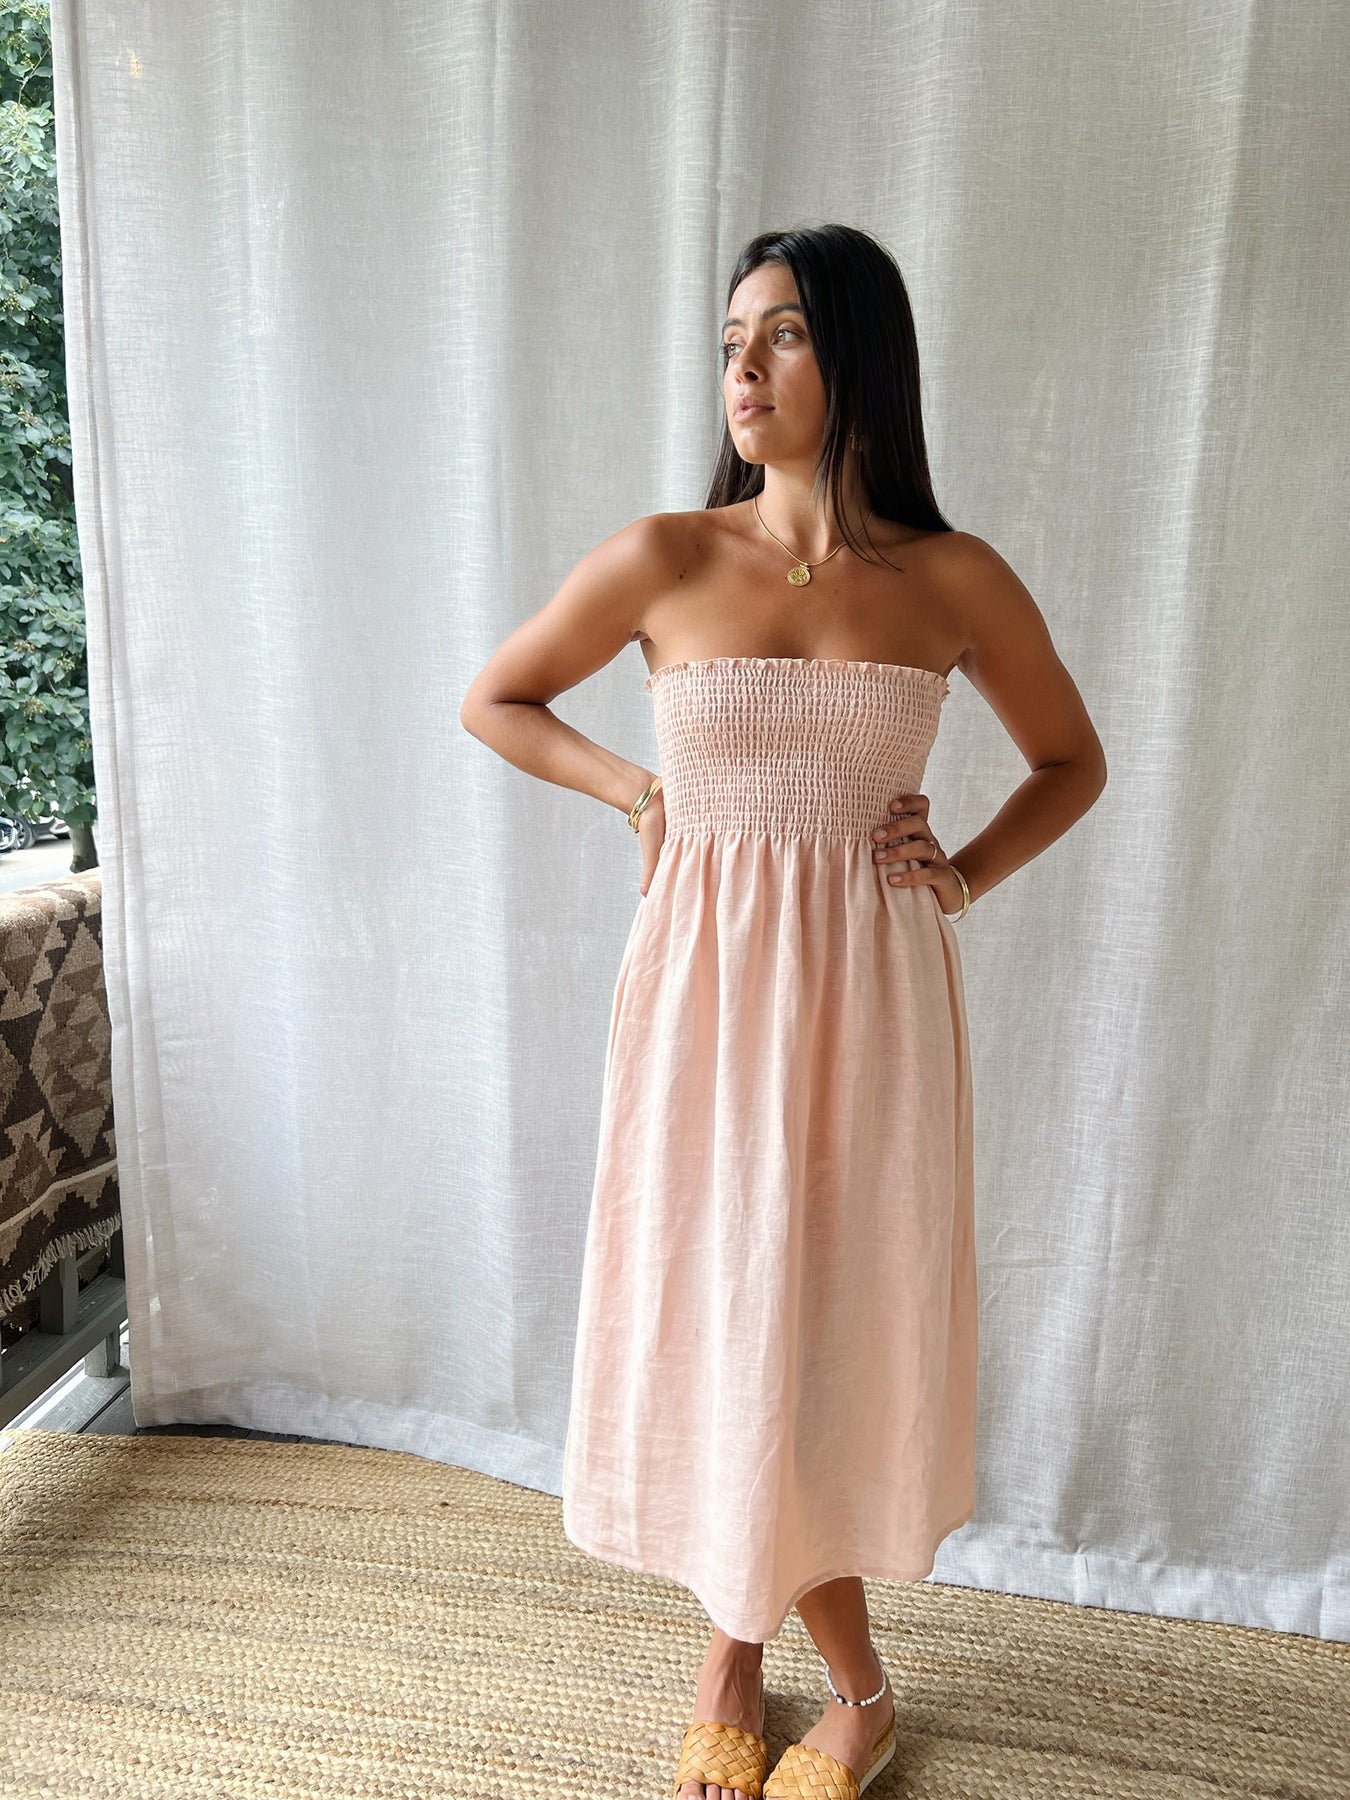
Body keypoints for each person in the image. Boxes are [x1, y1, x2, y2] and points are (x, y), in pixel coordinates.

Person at [460, 223, 1107, 1800]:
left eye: (785, 334)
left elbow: (1068, 761)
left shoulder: (952, 579)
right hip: (702, 998)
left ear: (859, 356)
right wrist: (636, 793)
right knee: (721, 1306)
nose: (741, 368)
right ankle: (767, 1662)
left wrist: (962, 870)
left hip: (874, 1005)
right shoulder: (666, 556)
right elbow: (498, 697)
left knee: (825, 1319)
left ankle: (796, 1671)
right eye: (729, 340)